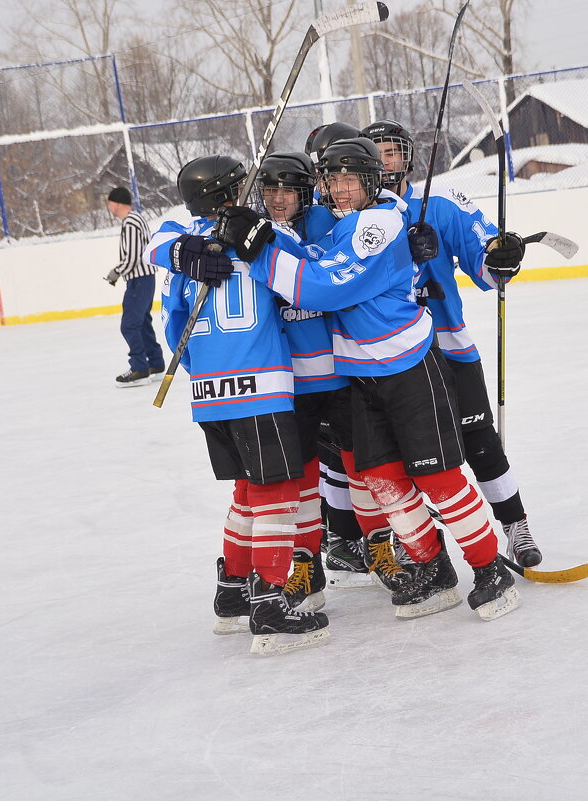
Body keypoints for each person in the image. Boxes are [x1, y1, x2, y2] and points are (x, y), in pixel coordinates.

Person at [211, 138, 521, 622]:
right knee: (379, 477)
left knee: (438, 478)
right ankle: (432, 566)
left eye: (350, 179)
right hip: (361, 376)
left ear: (372, 180)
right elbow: (315, 249)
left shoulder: (376, 223)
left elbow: (324, 285)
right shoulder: (348, 219)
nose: (339, 190)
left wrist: (260, 251)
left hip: (408, 368)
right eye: (332, 180)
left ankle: (487, 569)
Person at [143, 155, 329, 655]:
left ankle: (231, 592)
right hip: (262, 388)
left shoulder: (185, 252)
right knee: (278, 494)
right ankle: (269, 601)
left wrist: (208, 372)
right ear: (232, 195)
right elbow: (310, 291)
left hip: (208, 395)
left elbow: (172, 325)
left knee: (248, 492)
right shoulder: (264, 239)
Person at [360, 118, 544, 568]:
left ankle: (514, 523)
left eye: (392, 151)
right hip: (389, 358)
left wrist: (500, 258)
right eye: (375, 152)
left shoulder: (440, 204)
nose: (386, 161)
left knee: (479, 439)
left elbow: (483, 257)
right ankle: (419, 537)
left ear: (407, 157)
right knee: (403, 456)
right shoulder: (352, 220)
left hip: (447, 346)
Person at [252, 151, 411, 599]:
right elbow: (171, 233)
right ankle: (306, 562)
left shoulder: (332, 221)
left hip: (343, 373)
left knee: (363, 468)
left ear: (307, 191)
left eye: (288, 189)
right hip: (290, 383)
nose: (278, 199)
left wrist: (412, 236)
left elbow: (387, 211)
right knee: (302, 478)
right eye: (269, 190)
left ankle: (380, 547)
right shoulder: (255, 232)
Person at [104, 187, 166, 387]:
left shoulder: (130, 222)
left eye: (110, 202)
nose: (109, 206)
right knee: (142, 322)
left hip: (138, 280)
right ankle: (155, 363)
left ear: (118, 203)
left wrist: (116, 271)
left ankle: (139, 368)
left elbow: (132, 255)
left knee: (130, 324)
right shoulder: (136, 218)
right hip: (145, 278)